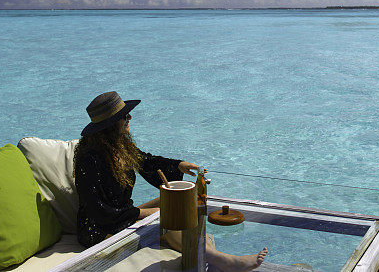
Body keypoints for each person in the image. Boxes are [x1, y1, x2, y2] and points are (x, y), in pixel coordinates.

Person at [74, 91, 268, 272]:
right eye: (125, 116)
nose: (129, 119)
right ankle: (224, 260)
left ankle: (208, 253)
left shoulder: (119, 147)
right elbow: (98, 211)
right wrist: (146, 213)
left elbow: (146, 161)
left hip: (122, 214)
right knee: (170, 217)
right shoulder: (89, 159)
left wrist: (178, 165)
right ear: (111, 123)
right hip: (99, 228)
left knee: (179, 199)